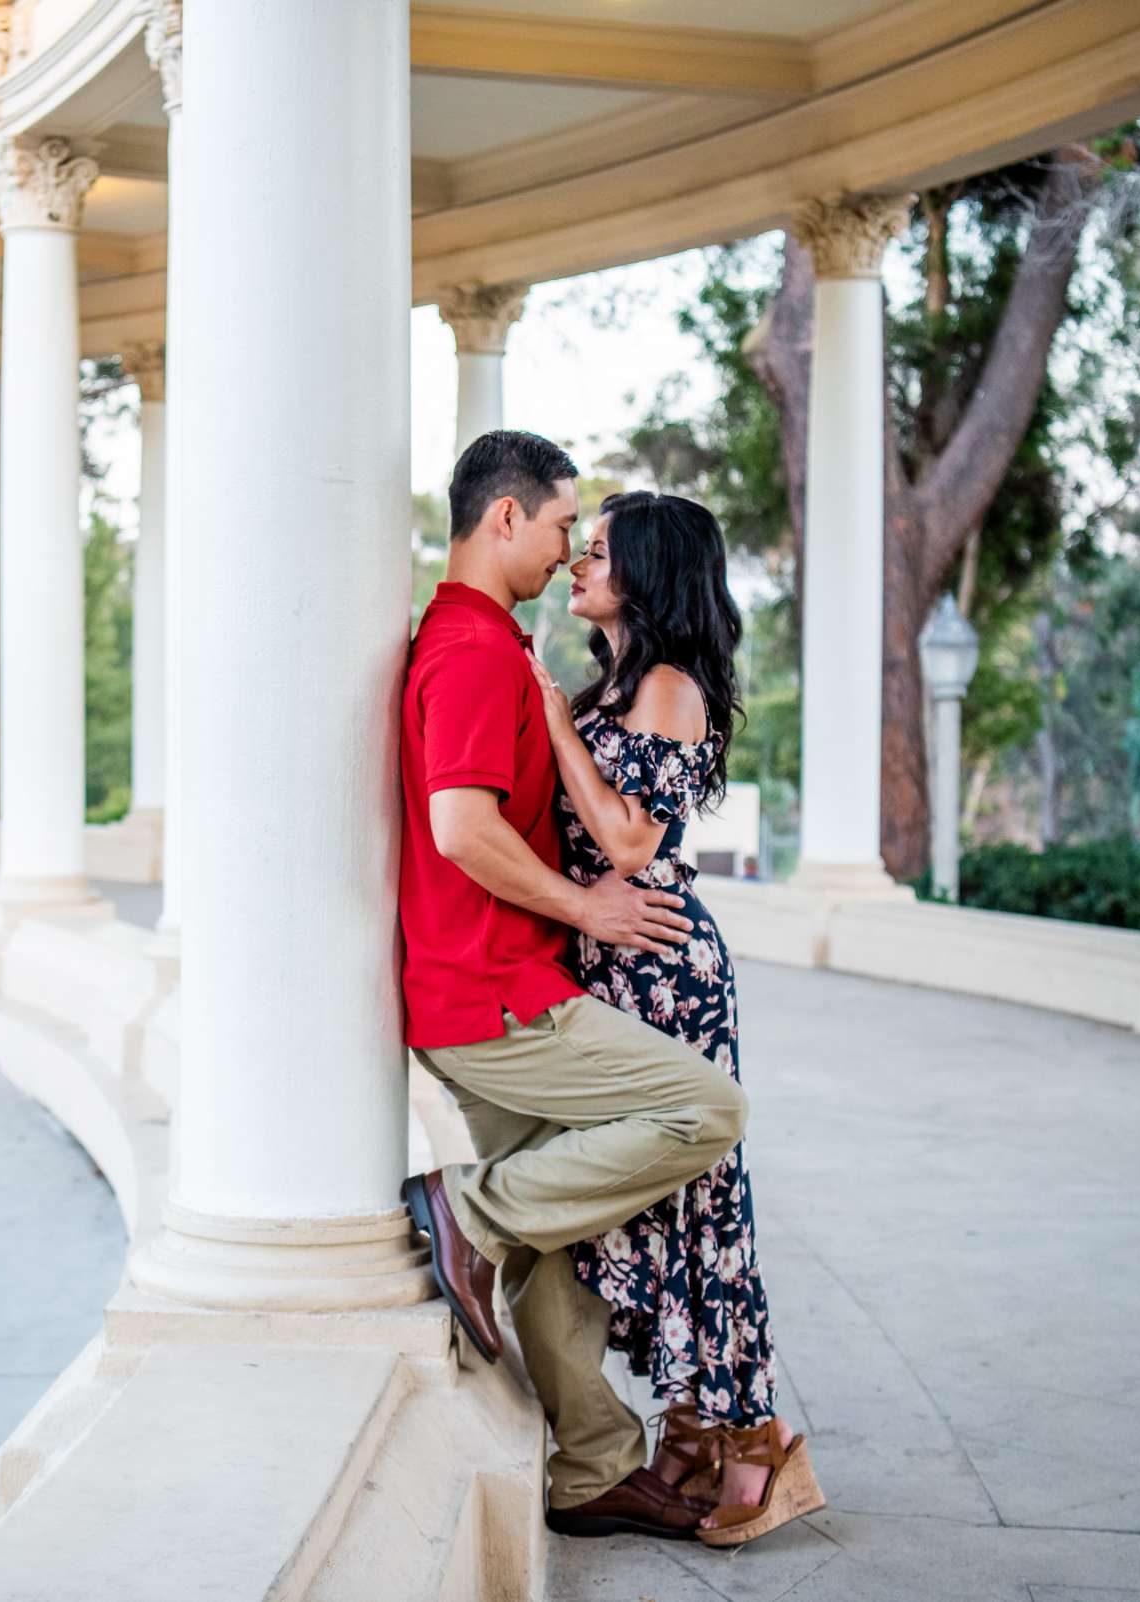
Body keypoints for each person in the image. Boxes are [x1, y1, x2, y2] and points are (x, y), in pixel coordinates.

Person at [396, 430, 749, 1543]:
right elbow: (462, 827)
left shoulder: (488, 648)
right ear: (507, 520)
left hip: (507, 982)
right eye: (561, 529)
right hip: (497, 993)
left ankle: (594, 1466)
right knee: (705, 1110)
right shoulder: (475, 653)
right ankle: (473, 1215)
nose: (566, 554)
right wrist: (587, 906)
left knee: (573, 1237)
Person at [530, 491, 822, 1548]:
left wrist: (556, 722)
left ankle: (761, 1442)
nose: (577, 563)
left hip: (663, 973)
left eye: (597, 552)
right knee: (656, 1206)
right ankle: (697, 1429)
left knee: (700, 1208)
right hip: (617, 969)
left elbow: (628, 844)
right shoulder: (621, 681)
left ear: (646, 572)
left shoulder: (664, 685)